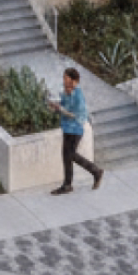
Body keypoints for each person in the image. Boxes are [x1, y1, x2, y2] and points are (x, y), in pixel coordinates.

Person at [48, 67, 103, 195]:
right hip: (67, 128)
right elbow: (63, 105)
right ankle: (67, 185)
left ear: (73, 80)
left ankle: (96, 171)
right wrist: (55, 106)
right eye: (64, 78)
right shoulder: (67, 93)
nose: (64, 81)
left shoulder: (78, 96)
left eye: (66, 78)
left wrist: (60, 109)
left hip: (75, 129)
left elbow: (78, 115)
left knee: (71, 155)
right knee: (66, 156)